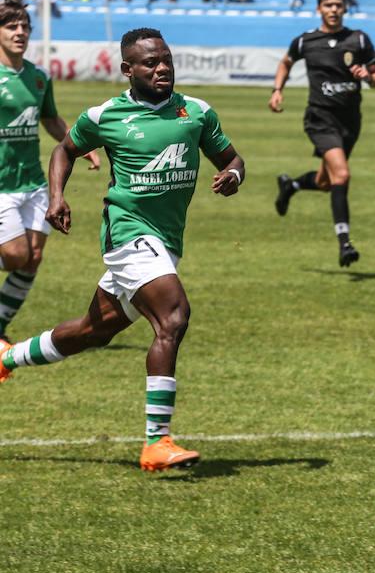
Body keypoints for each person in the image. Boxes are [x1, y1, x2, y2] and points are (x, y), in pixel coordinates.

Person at [0, 27, 244, 473]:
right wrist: (57, 197)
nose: (162, 68)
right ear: (127, 70)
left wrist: (234, 176)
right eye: (151, 63)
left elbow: (231, 158)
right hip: (128, 233)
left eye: (166, 59)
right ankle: (157, 441)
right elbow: (63, 151)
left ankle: (5, 357)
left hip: (166, 241)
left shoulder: (196, 112)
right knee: (173, 317)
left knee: (94, 330)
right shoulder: (106, 114)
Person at [0, 0, 98, 344]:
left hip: (34, 182)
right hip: (1, 186)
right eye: (11, 26)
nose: (20, 32)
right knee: (14, 256)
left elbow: (51, 120)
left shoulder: (39, 77)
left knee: (33, 259)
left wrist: (80, 146)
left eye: (25, 26)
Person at [270, 0, 375, 268]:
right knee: (341, 176)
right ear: (319, 8)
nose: (334, 10)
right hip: (320, 119)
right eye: (328, 5)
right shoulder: (305, 41)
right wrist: (277, 89)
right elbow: (285, 62)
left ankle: (291, 185)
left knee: (325, 182)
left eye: (338, 5)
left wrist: (367, 76)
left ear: (345, 7)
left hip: (350, 122)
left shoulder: (358, 40)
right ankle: (345, 243)